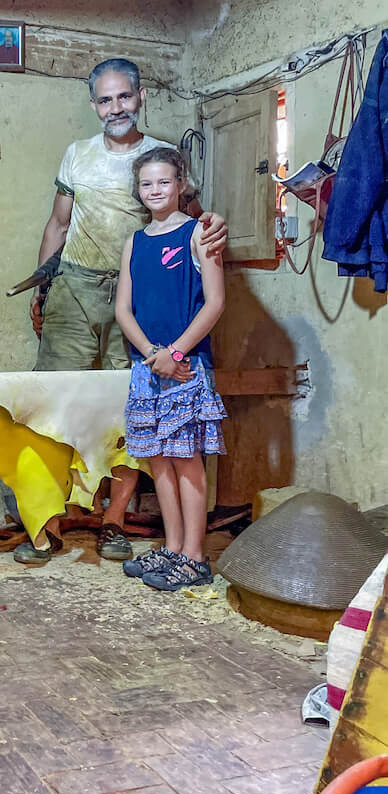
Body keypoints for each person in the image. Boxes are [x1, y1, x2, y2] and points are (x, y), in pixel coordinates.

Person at [19, 57, 227, 566]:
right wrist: (42, 282)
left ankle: (113, 522)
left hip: (138, 300)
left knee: (127, 408)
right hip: (76, 285)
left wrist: (216, 223)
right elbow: (57, 222)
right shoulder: (77, 155)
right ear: (94, 105)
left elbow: (192, 219)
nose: (116, 107)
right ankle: (44, 525)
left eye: (124, 97)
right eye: (106, 99)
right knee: (52, 401)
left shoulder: (162, 158)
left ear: (141, 98)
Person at [114, 146, 227, 591]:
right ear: (138, 191)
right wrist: (151, 355)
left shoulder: (199, 233)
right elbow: (124, 309)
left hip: (188, 365)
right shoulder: (135, 242)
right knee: (158, 461)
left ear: (182, 184)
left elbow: (215, 303)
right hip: (148, 367)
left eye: (164, 181)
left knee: (187, 461)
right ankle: (174, 545)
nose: (155, 190)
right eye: (146, 183)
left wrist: (175, 353)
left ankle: (195, 557)